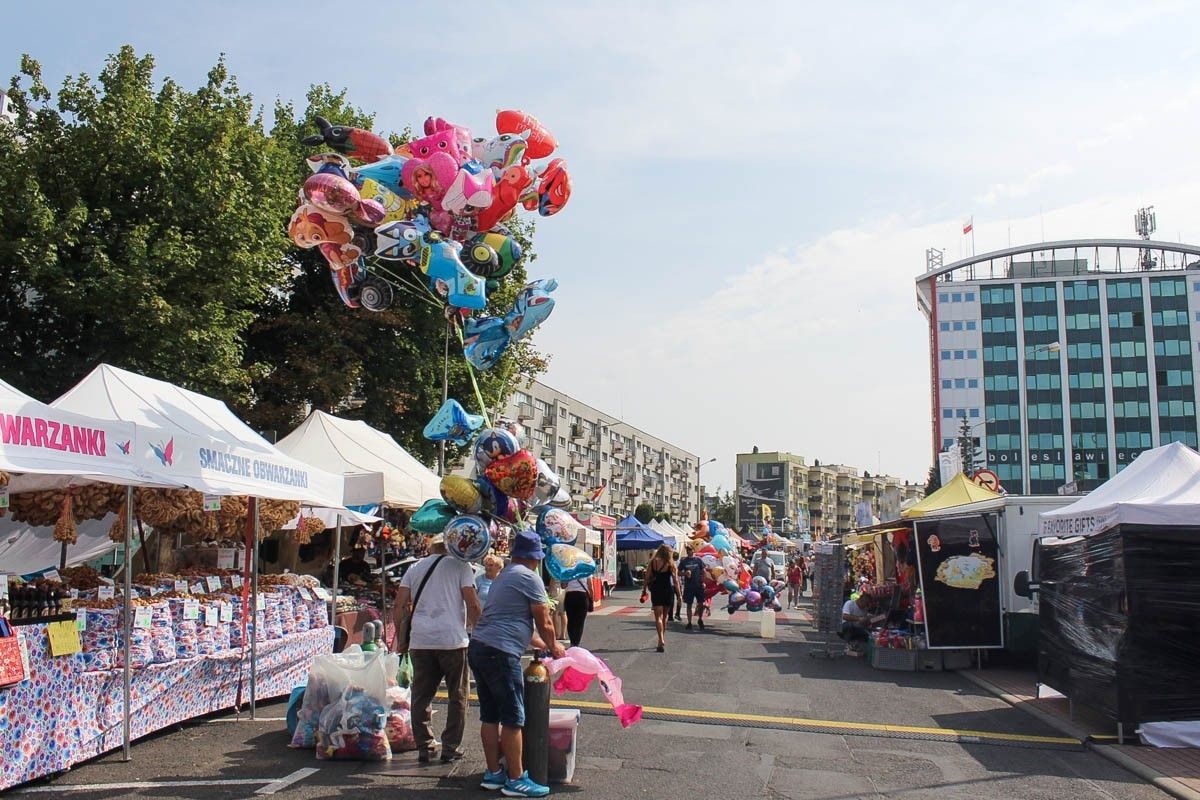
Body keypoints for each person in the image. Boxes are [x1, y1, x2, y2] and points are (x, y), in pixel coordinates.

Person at [468, 530, 564, 798]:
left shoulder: (503, 577)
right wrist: (555, 646)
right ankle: (516, 778)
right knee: (513, 717)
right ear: (535, 557)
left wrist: (542, 644)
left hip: (479, 646)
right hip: (500, 652)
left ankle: (493, 773)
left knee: (490, 714)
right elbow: (543, 620)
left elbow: (514, 620)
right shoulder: (530, 578)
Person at [394, 535, 482, 764]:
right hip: (452, 640)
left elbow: (399, 604)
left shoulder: (414, 567)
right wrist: (481, 631)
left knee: (421, 696)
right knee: (458, 696)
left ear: (430, 546)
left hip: (421, 639)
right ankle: (450, 747)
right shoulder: (461, 566)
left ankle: (425, 746)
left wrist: (401, 637)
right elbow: (472, 603)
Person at [642, 544, 681, 652]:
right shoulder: (671, 564)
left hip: (656, 590)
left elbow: (647, 577)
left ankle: (661, 639)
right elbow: (676, 581)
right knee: (665, 617)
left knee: (658, 617)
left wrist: (644, 589)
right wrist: (679, 595)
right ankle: (661, 640)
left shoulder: (653, 562)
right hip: (668, 590)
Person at [677, 543, 707, 630]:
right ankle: (689, 622)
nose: (689, 551)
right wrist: (685, 573)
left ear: (693, 550)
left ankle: (700, 619)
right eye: (687, 550)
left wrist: (704, 581)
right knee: (689, 605)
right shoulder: (684, 561)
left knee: (701, 604)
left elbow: (704, 571)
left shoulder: (698, 560)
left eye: (690, 549)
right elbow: (678, 572)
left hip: (698, 585)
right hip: (689, 586)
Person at [562, 574, 592, 647]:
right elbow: (590, 587)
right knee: (580, 622)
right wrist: (591, 598)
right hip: (582, 596)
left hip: (570, 596)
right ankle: (576, 643)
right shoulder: (586, 570)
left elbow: (563, 586)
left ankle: (573, 642)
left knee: (571, 620)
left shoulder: (568, 571)